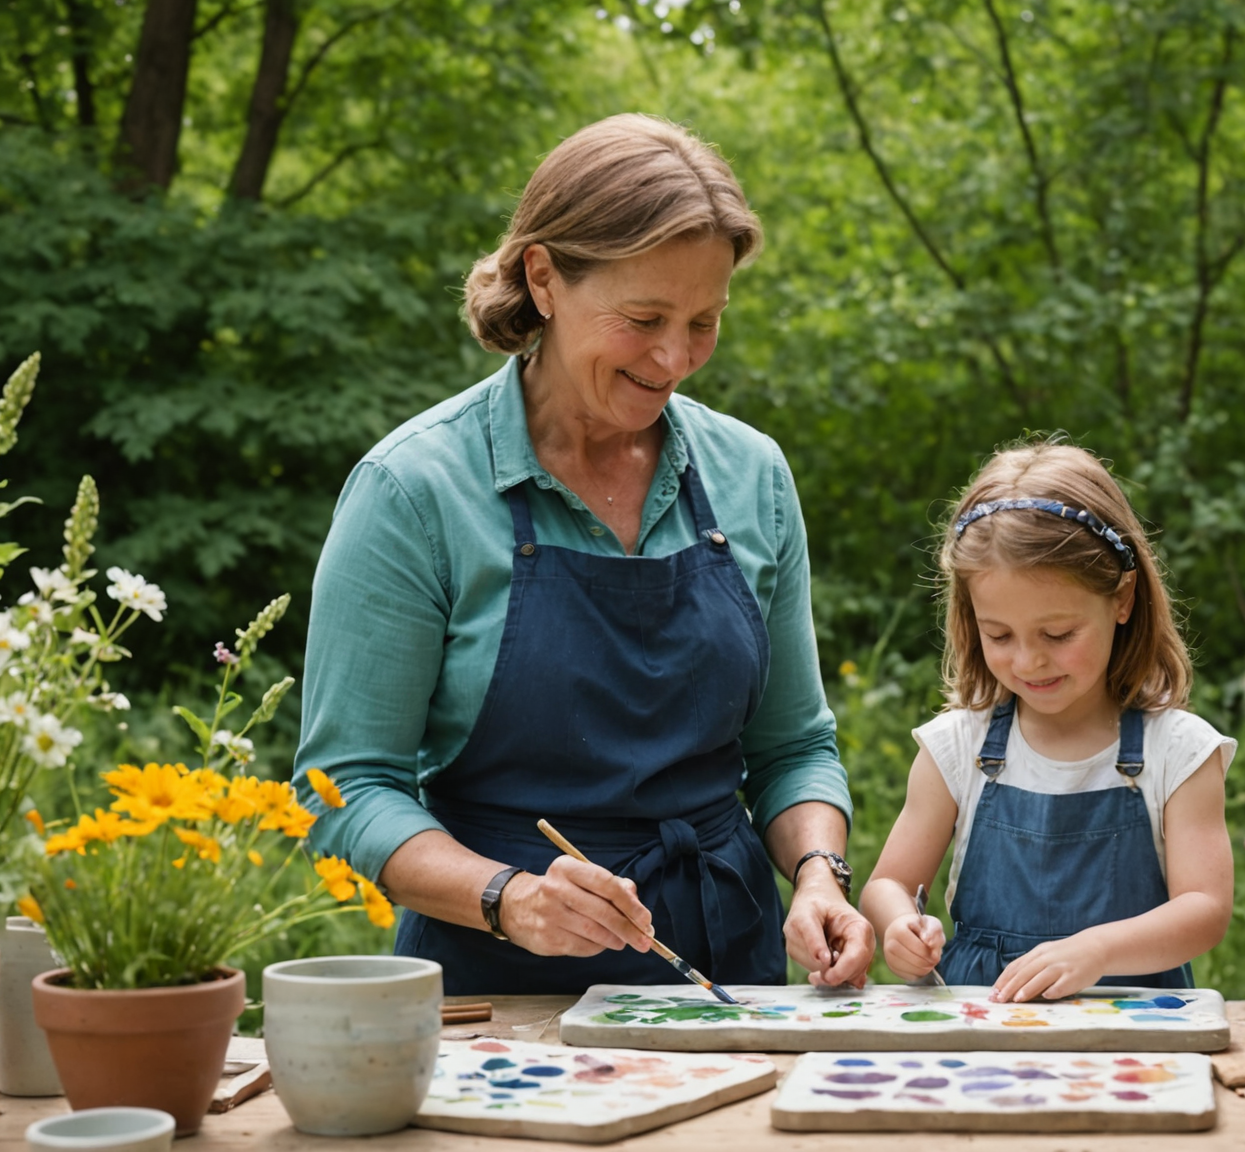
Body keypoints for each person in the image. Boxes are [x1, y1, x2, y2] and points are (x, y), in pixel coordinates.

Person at [294, 115, 873, 995]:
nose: (676, 357)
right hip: (493, 988)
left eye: (704, 323)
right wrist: (507, 896)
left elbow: (794, 745)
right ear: (545, 278)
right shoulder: (415, 491)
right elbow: (346, 787)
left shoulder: (751, 475)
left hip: (731, 977)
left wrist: (820, 875)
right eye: (643, 319)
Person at [861, 442, 1235, 1001]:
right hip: (985, 1030)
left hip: (1133, 1036)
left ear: (1123, 597)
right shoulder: (958, 746)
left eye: (1058, 635)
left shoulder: (1177, 750)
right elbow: (888, 883)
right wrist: (898, 926)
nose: (1030, 661)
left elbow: (1204, 909)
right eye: (999, 635)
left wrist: (1100, 950)